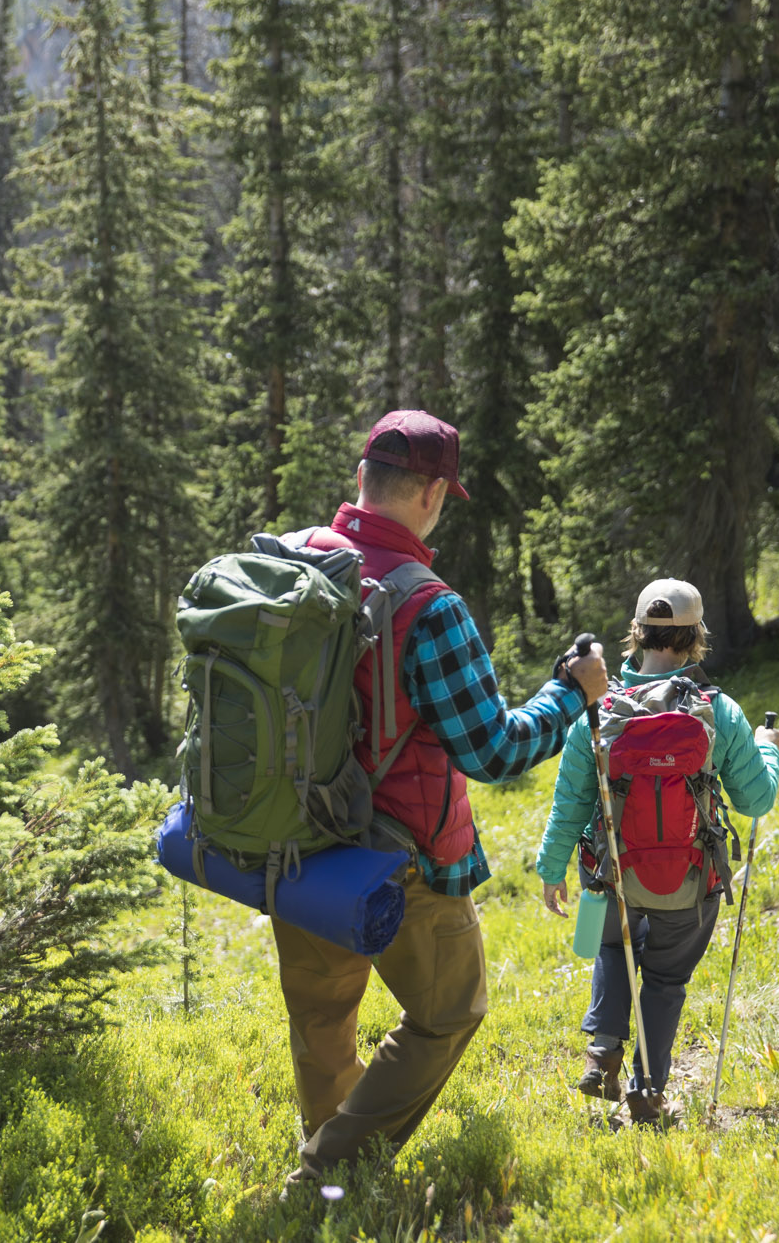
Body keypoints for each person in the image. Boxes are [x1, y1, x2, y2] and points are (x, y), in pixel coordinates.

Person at [274, 409, 610, 1185]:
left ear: (363, 478)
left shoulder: (299, 561)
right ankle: (328, 1172)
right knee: (449, 1010)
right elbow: (493, 748)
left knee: (323, 1013)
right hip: (397, 859)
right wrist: (569, 694)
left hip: (292, 840)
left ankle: (331, 1167)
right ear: (430, 492)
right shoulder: (429, 605)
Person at [535, 578, 779, 1124]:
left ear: (637, 634)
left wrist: (552, 869)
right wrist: (768, 751)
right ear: (696, 637)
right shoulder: (720, 711)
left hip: (613, 876)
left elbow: (570, 803)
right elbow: (757, 797)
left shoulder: (598, 713)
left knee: (610, 950)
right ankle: (647, 1092)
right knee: (666, 980)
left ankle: (602, 1051)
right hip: (690, 880)